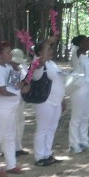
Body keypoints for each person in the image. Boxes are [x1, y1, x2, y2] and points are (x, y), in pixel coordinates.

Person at [0, 40, 24, 177]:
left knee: (9, 135)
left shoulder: (7, 67)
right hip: (0, 108)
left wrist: (19, 85)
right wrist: (17, 91)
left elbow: (14, 85)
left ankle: (11, 164)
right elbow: (2, 90)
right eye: (8, 52)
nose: (10, 55)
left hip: (11, 106)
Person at [26, 38, 65, 166]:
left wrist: (62, 100)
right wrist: (47, 42)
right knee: (43, 129)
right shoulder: (37, 64)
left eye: (50, 49)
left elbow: (58, 82)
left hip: (56, 101)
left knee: (52, 128)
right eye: (48, 49)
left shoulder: (52, 64)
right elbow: (40, 62)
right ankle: (39, 157)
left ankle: (47, 153)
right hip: (44, 102)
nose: (51, 51)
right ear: (39, 53)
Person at [68, 35, 89, 153]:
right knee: (77, 116)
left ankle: (83, 140)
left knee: (86, 116)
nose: (88, 44)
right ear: (80, 44)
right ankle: (73, 143)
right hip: (79, 87)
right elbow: (80, 49)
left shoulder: (86, 57)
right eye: (85, 42)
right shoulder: (76, 53)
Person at [10, 48, 29, 157]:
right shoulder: (10, 69)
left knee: (20, 123)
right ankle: (9, 148)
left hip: (20, 99)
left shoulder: (21, 69)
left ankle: (18, 147)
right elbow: (13, 87)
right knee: (12, 125)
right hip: (11, 101)